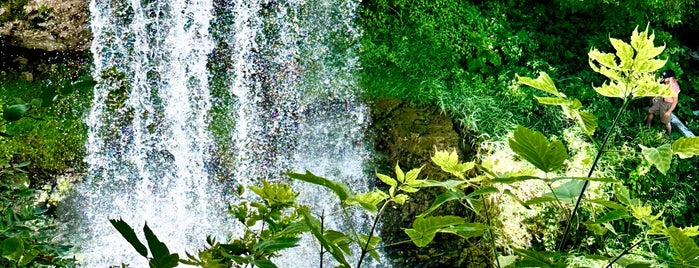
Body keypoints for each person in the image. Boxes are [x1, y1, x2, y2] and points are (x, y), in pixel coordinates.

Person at [645, 69, 681, 135]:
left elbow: (675, 101)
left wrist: (669, 111)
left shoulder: (674, 87)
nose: (664, 79)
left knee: (667, 122)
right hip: (662, 101)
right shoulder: (665, 82)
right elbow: (662, 91)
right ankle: (647, 126)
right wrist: (656, 96)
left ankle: (668, 135)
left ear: (671, 78)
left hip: (668, 104)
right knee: (650, 111)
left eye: (666, 78)